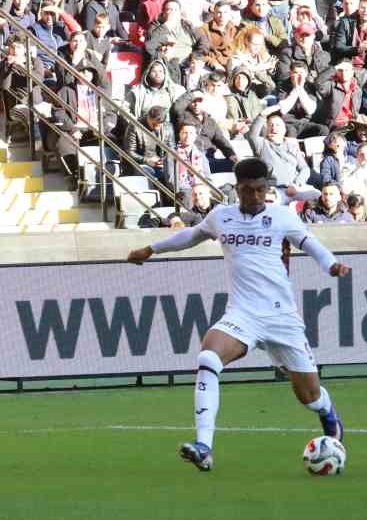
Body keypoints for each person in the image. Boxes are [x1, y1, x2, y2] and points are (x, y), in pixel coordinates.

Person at [125, 157, 351, 472]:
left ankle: (327, 413)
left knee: (310, 396)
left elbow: (311, 244)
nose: (255, 196)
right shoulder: (222, 217)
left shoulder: (282, 217)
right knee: (208, 358)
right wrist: (151, 249)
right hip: (242, 315)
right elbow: (189, 236)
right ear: (237, 188)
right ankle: (204, 446)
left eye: (260, 190)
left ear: (267, 189)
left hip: (281, 318)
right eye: (248, 190)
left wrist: (332, 265)